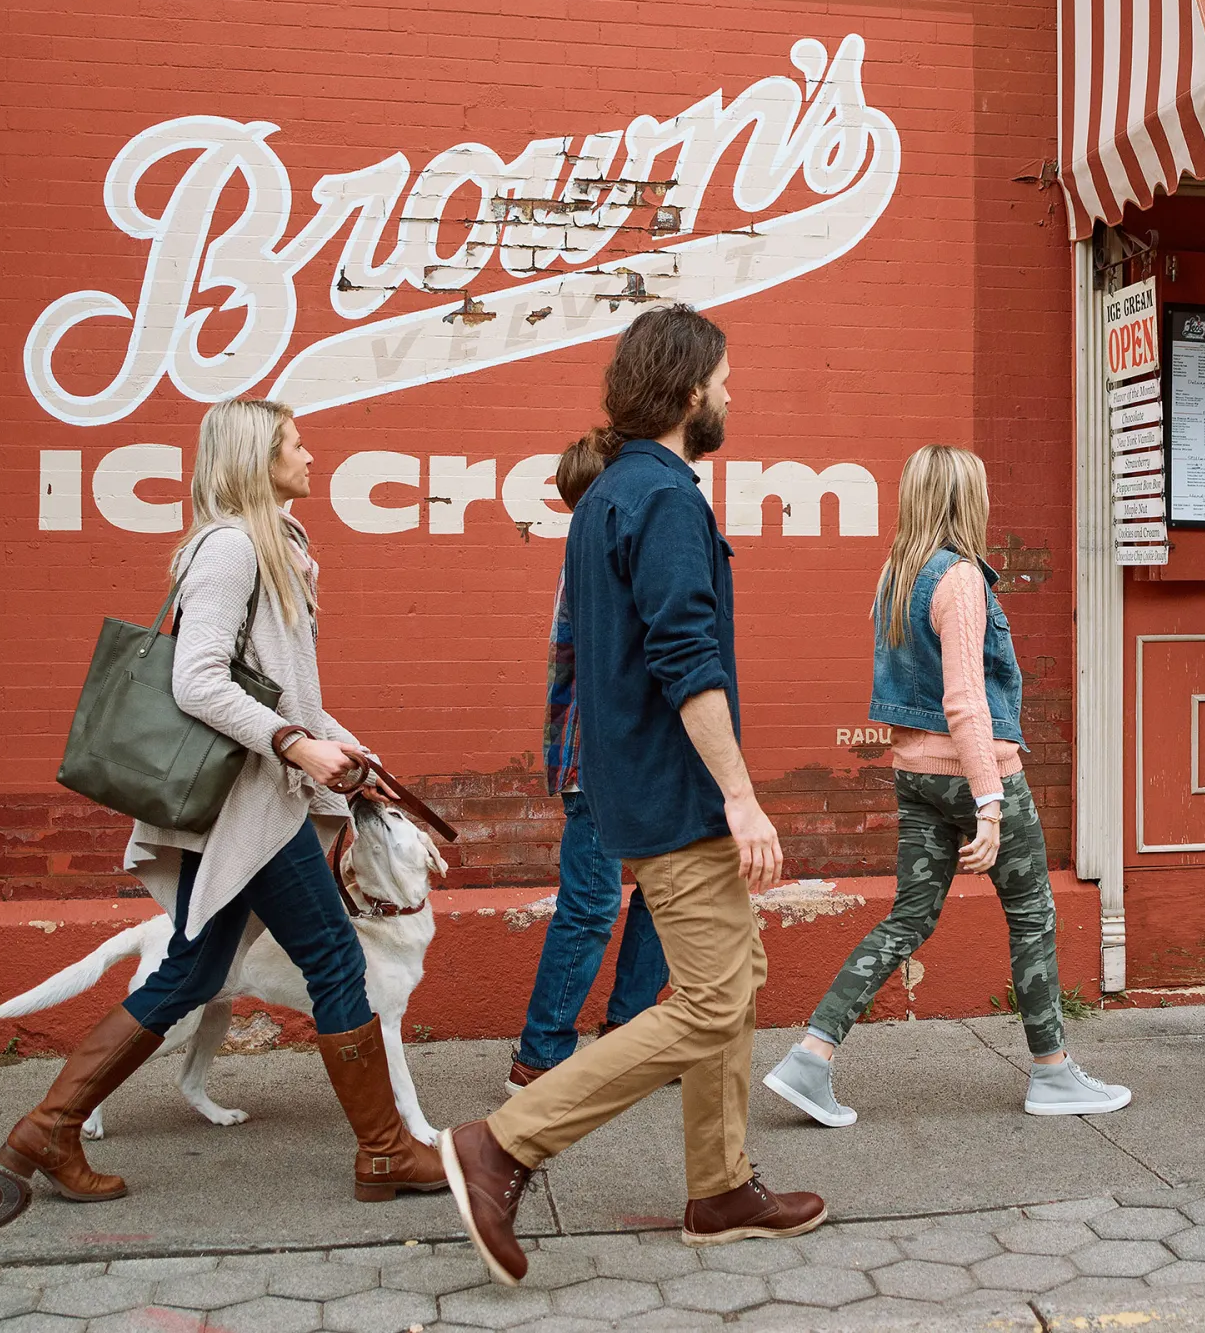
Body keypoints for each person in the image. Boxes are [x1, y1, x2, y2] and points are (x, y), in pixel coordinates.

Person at [440, 305, 826, 1287]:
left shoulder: (615, 492)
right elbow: (684, 656)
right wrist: (740, 795)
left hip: (642, 786)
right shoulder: (660, 497)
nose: (733, 392)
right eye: (724, 377)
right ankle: (504, 1143)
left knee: (732, 976)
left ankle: (722, 1186)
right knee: (708, 1001)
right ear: (689, 388)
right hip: (675, 790)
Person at [0, 398, 445, 1205]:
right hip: (250, 805)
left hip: (255, 796)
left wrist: (353, 755)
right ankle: (384, 1152)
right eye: (295, 444)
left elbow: (290, 695)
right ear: (257, 460)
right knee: (336, 958)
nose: (310, 455)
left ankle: (49, 1126)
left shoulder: (277, 548)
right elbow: (197, 680)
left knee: (195, 968)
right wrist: (295, 747)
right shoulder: (231, 549)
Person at [762, 445, 1131, 1126]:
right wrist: (990, 802)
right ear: (967, 500)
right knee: (1033, 915)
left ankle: (809, 1058)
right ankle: (1052, 1074)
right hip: (974, 773)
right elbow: (965, 699)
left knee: (908, 917)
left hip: (916, 776)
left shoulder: (896, 573)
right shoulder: (959, 578)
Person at [504, 437, 670, 1093]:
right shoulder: (599, 558)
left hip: (636, 756)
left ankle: (630, 1036)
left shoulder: (614, 551)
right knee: (593, 904)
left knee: (663, 892)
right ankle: (539, 1056)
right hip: (603, 758)